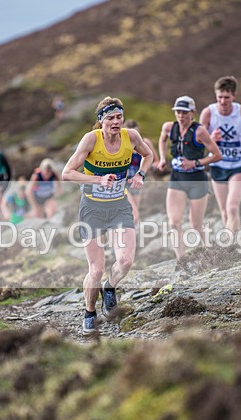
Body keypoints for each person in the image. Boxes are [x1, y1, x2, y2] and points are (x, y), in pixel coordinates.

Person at [61, 97, 154, 333]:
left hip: (119, 207)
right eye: (110, 118)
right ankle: (89, 311)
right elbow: (67, 173)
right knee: (96, 269)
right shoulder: (91, 140)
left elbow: (148, 155)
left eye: (119, 117)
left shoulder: (130, 136)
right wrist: (97, 179)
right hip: (92, 209)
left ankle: (110, 288)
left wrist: (140, 175)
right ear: (101, 120)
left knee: (125, 261)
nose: (115, 122)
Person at [157, 95, 222, 260]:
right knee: (173, 222)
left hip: (197, 180)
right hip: (177, 178)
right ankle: (181, 260)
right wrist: (163, 158)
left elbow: (216, 155)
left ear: (192, 112)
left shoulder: (199, 131)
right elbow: (162, 139)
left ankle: (215, 254)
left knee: (196, 225)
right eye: (178, 111)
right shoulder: (169, 127)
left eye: (185, 112)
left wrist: (195, 162)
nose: (181, 115)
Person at [199, 75, 241, 233]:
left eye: (226, 97)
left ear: (234, 96)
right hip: (218, 165)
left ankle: (230, 243)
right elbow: (198, 138)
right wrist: (210, 139)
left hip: (239, 165)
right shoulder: (208, 113)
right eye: (219, 97)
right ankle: (231, 243)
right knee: (224, 211)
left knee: (232, 207)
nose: (222, 101)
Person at [123, 119, 156, 225]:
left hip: (136, 182)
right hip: (122, 183)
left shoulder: (144, 143)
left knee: (134, 215)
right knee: (132, 213)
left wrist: (148, 169)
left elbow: (155, 160)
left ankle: (131, 238)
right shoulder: (121, 144)